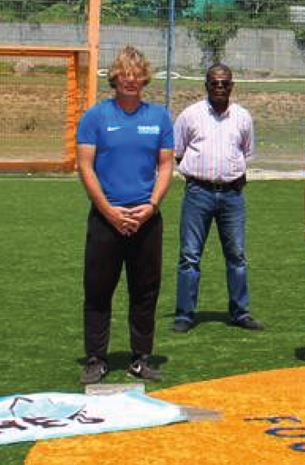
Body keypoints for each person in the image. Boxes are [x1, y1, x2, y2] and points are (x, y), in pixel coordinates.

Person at [75, 46, 174, 385]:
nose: (131, 81)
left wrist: (151, 206)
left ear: (144, 78)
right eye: (124, 76)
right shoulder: (95, 117)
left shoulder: (159, 117)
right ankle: (95, 359)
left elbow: (165, 166)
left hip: (146, 219)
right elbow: (85, 167)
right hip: (106, 218)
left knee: (145, 292)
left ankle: (140, 358)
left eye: (137, 76)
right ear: (114, 79)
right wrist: (109, 211)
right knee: (98, 291)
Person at [172, 64, 262, 334]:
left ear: (232, 86)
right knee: (189, 256)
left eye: (224, 83)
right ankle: (185, 315)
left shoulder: (243, 117)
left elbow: (246, 152)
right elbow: (178, 152)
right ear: (206, 85)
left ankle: (240, 312)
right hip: (198, 193)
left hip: (232, 195)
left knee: (237, 255)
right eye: (214, 83)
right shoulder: (189, 115)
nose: (220, 87)